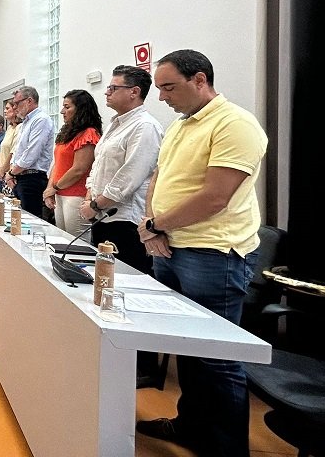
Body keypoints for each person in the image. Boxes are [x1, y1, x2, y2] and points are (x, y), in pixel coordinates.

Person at [134, 49, 268, 457]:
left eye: (169, 87)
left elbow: (214, 197)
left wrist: (158, 226)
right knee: (187, 347)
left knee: (217, 358)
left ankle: (227, 448)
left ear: (200, 80)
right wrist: (150, 227)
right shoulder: (181, 126)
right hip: (170, 247)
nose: (162, 97)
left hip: (213, 255)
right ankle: (190, 426)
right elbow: (160, 177)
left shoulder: (235, 124)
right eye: (159, 88)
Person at [79, 65, 164, 388]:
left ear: (134, 92)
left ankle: (142, 364)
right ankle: (112, 348)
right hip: (103, 216)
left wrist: (98, 202)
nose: (107, 92)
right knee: (105, 285)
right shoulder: (117, 125)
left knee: (130, 290)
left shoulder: (145, 127)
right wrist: (91, 194)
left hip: (125, 220)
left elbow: (130, 176)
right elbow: (99, 167)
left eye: (114, 88)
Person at [43, 89, 102, 233]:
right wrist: (50, 189)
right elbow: (57, 164)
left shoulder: (89, 133)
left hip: (76, 194)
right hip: (60, 192)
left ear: (81, 109)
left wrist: (55, 187)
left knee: (76, 242)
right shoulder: (67, 133)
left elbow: (79, 169)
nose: (62, 111)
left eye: (67, 107)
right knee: (61, 236)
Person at [4, 86, 54, 218]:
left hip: (32, 178)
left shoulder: (41, 120)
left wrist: (10, 173)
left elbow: (31, 154)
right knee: (17, 220)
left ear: (29, 101)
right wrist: (12, 174)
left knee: (29, 221)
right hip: (20, 177)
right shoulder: (26, 122)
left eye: (17, 103)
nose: (14, 107)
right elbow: (17, 152)